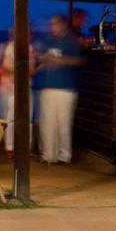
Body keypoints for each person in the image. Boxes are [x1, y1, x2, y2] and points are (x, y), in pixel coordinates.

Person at [36, 15, 83, 165]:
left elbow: (79, 60)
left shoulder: (71, 41)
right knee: (47, 121)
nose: (52, 27)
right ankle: (49, 154)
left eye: (54, 24)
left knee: (63, 122)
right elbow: (44, 58)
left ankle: (64, 155)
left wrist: (61, 61)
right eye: (51, 24)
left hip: (66, 88)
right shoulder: (50, 40)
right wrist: (42, 59)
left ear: (63, 25)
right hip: (49, 85)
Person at [0, 27, 38, 157]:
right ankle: (10, 147)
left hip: (25, 87)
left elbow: (32, 71)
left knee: (27, 118)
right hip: (8, 87)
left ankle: (25, 147)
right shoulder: (4, 47)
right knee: (9, 118)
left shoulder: (30, 49)